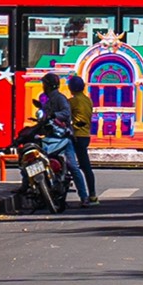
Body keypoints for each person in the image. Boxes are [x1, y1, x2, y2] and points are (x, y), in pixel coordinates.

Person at [65, 74, 99, 207]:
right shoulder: (88, 100)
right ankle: (93, 194)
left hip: (75, 136)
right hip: (85, 136)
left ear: (71, 88)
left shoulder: (72, 101)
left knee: (72, 164)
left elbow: (66, 116)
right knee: (86, 167)